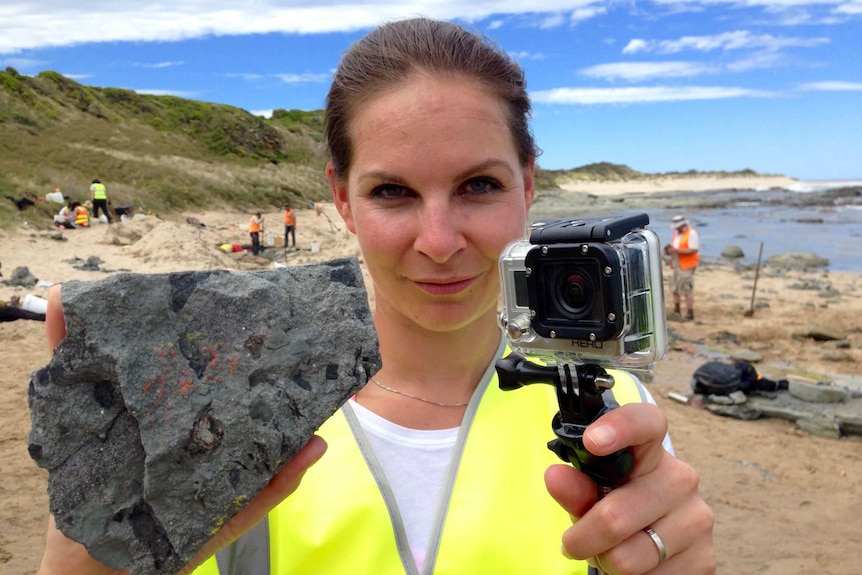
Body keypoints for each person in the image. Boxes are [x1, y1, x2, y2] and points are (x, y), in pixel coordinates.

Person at [36, 17, 714, 575]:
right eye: (393, 191)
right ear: (342, 199)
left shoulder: (613, 410)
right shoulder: (231, 414)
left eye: (479, 184)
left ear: (528, 185)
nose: (440, 239)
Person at [668, 214, 700, 321]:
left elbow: (693, 249)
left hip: (686, 265)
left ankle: (690, 313)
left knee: (686, 289)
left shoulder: (692, 233)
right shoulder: (676, 233)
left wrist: (677, 251)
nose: (676, 228)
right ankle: (677, 310)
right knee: (675, 288)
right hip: (676, 264)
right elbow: (675, 247)